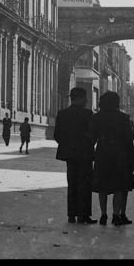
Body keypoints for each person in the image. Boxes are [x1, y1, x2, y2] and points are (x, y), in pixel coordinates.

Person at [53, 86, 96, 224]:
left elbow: (57, 135)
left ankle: (71, 215)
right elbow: (93, 135)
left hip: (70, 154)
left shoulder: (62, 114)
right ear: (82, 99)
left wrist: (68, 145)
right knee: (85, 184)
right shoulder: (88, 114)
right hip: (85, 155)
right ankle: (83, 215)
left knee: (72, 183)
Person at [92, 91, 134, 225]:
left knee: (103, 187)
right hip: (120, 155)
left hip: (102, 154)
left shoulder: (97, 117)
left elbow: (92, 136)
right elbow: (129, 138)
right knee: (119, 186)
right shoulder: (123, 118)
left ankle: (103, 215)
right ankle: (116, 215)